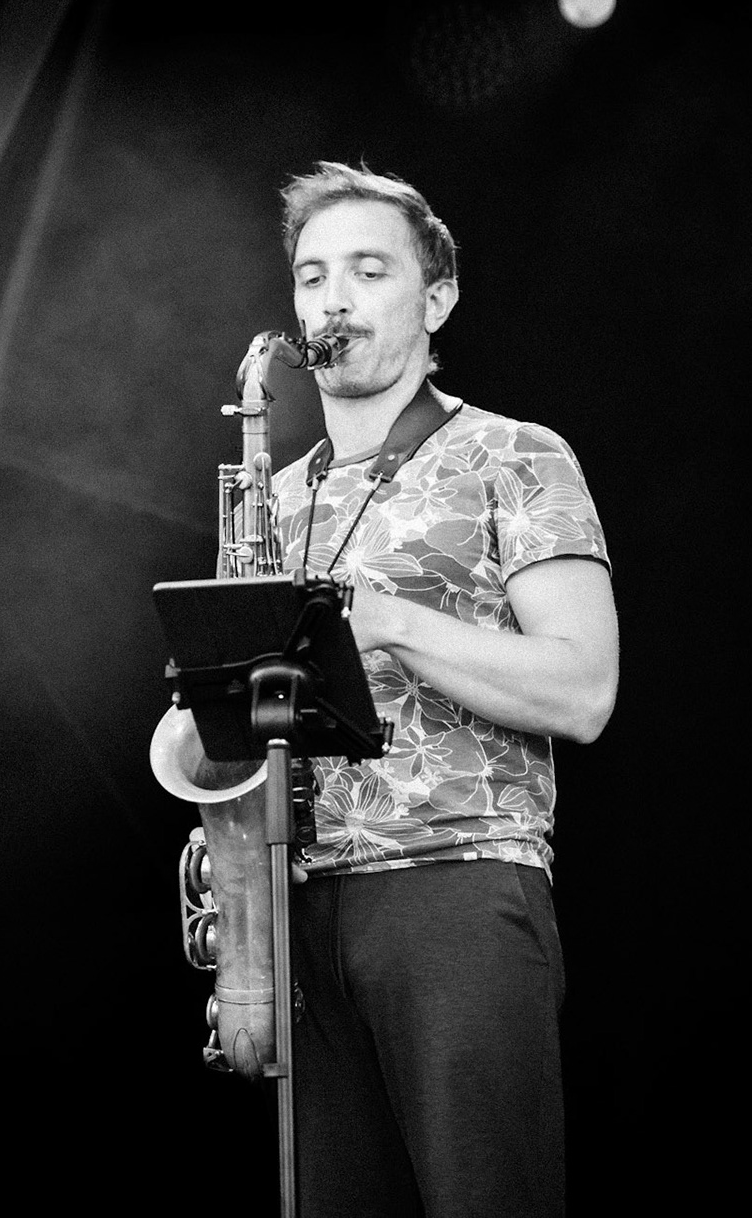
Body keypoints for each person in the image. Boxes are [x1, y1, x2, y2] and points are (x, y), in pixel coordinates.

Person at [209, 162, 618, 1216]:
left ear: (435, 299)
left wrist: (384, 620)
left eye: (367, 269)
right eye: (310, 275)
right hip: (299, 907)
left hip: (456, 890)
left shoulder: (513, 454)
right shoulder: (276, 495)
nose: (329, 299)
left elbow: (584, 687)